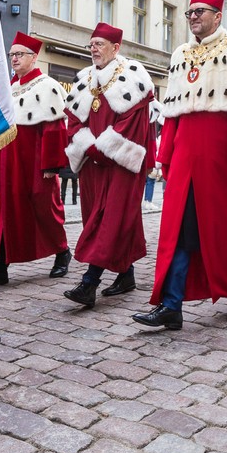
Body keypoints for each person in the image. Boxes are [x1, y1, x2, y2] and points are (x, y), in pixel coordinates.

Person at [131, 0, 227, 330]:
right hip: (186, 162)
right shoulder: (180, 54)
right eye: (190, 13)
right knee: (177, 232)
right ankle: (171, 305)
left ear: (217, 16)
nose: (193, 17)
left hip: (224, 162)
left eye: (200, 12)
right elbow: (174, 112)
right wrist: (166, 155)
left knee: (226, 230)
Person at [0, 32, 72, 288]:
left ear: (34, 57)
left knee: (44, 209)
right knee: (0, 212)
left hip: (34, 162)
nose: (14, 58)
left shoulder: (48, 86)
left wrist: (51, 165)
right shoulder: (9, 88)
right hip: (5, 163)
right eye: (12, 54)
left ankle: (62, 252)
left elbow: (55, 128)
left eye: (19, 54)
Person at [62, 23, 154, 307]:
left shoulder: (133, 77)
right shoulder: (84, 78)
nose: (93, 49)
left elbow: (134, 125)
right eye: (91, 45)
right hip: (92, 163)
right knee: (99, 217)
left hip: (121, 164)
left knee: (111, 218)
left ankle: (89, 283)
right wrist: (87, 145)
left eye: (99, 44)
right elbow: (73, 119)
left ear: (116, 48)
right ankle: (126, 275)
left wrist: (103, 147)